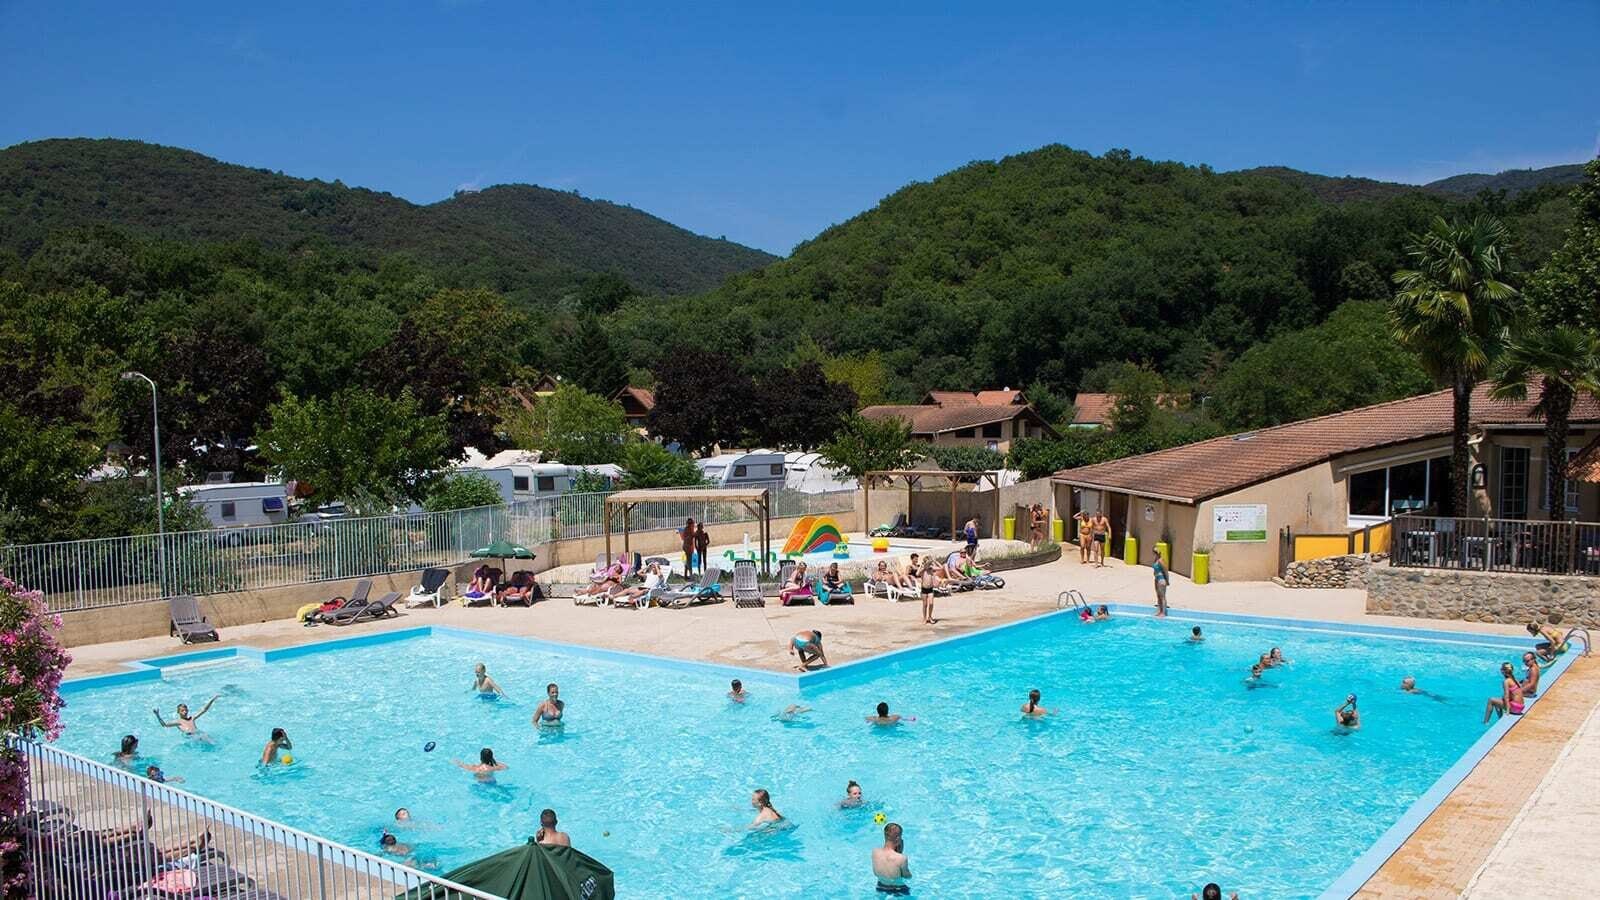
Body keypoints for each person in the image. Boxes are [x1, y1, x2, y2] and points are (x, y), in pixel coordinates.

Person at [872, 822, 912, 896]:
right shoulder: (901, 858)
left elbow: (876, 873)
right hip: (898, 889)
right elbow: (907, 876)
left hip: (880, 886)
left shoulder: (875, 852)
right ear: (898, 838)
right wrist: (900, 853)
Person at [153, 695, 220, 737]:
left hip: (199, 734)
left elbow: (204, 710)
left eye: (185, 710)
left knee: (211, 741)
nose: (185, 712)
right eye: (182, 711)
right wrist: (157, 715)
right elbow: (164, 725)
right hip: (191, 737)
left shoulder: (191, 718)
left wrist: (212, 700)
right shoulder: (178, 722)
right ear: (178, 712)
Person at [919, 559, 938, 625]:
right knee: (925, 604)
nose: (928, 565)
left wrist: (935, 561)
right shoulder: (922, 570)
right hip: (924, 589)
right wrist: (921, 567)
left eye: (929, 564)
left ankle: (930, 617)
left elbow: (941, 568)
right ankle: (924, 618)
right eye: (927, 564)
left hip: (930, 589)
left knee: (931, 603)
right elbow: (917, 573)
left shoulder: (931, 569)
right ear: (924, 564)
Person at [1150, 549, 1169, 617]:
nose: (1154, 553)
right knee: (1158, 596)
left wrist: (1167, 581)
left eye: (1156, 552)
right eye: (1154, 552)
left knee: (1162, 596)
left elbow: (1166, 571)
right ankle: (1159, 611)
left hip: (1161, 579)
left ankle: (1163, 612)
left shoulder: (1161, 560)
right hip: (1156, 579)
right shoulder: (1156, 560)